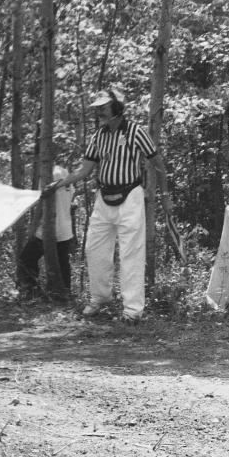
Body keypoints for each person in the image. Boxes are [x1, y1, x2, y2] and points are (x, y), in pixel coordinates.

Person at [44, 88, 172, 322]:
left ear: (117, 108)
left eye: (103, 107)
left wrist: (164, 193)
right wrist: (60, 183)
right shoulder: (98, 136)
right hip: (104, 198)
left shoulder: (136, 132)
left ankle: (132, 311)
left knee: (131, 253)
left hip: (130, 197)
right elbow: (85, 169)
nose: (99, 111)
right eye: (97, 108)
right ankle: (100, 298)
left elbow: (157, 162)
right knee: (94, 249)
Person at [17, 165, 74, 299]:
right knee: (62, 263)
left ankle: (31, 291)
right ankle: (64, 292)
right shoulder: (65, 173)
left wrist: (33, 227)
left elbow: (42, 203)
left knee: (25, 259)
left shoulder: (49, 174)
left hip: (46, 230)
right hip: (65, 229)